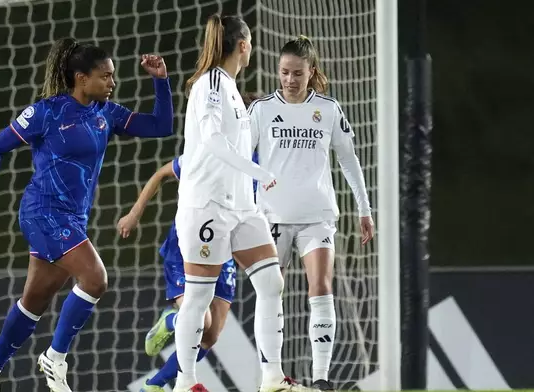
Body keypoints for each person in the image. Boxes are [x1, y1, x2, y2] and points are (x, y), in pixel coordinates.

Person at [0, 37, 174, 392]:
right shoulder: (47, 112)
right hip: (42, 212)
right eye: (105, 76)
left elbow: (160, 126)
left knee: (34, 301)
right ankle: (55, 357)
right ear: (81, 78)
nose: (112, 83)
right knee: (95, 279)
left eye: (113, 76)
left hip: (72, 219)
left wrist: (160, 81)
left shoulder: (106, 114)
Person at [173, 14, 316, 392]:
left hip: (241, 209)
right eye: (250, 43)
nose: (251, 48)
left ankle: (272, 378)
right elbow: (214, 141)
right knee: (199, 296)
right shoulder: (212, 83)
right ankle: (185, 383)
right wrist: (258, 173)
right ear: (242, 45)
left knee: (271, 282)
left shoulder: (233, 88)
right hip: (207, 206)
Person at [248, 35, 375, 391]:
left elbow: (348, 160)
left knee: (320, 287)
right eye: (284, 72)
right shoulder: (261, 110)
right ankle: (271, 376)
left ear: (311, 73)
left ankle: (321, 379)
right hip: (271, 217)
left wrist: (364, 209)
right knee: (271, 292)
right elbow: (241, 160)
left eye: (297, 74)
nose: (289, 80)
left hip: (317, 216)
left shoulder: (329, 110)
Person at [117, 155, 237, 392]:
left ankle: (153, 385)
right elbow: (161, 174)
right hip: (188, 246)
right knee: (201, 322)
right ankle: (172, 321)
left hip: (225, 251)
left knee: (209, 337)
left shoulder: (260, 162)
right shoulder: (210, 151)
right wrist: (134, 214)